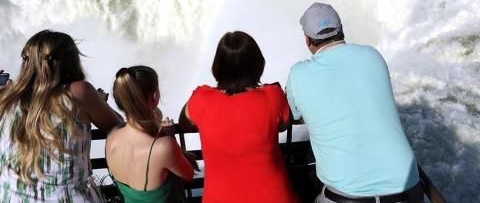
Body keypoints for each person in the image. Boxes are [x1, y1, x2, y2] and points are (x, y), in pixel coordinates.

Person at [286, 3, 424, 203]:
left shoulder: (299, 74)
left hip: (348, 197)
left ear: (308, 40)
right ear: (341, 31)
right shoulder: (372, 55)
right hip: (410, 190)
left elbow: (292, 115)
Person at [0, 30, 123, 201]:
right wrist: (99, 103)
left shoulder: (6, 98)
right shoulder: (79, 93)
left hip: (11, 196)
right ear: (69, 61)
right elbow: (119, 127)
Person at [179, 31, 299, 203]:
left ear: (217, 66)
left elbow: (184, 123)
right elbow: (285, 124)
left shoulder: (201, 99)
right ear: (257, 64)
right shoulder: (273, 96)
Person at [106, 65, 194, 203]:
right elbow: (188, 175)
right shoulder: (163, 147)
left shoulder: (111, 138)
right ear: (154, 96)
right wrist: (170, 136)